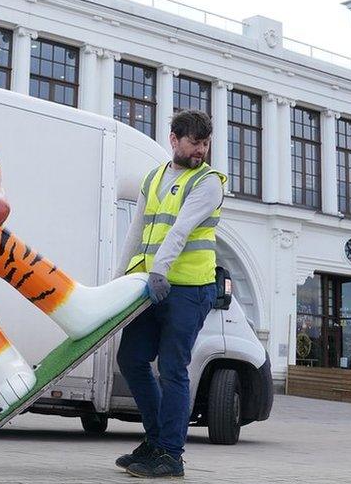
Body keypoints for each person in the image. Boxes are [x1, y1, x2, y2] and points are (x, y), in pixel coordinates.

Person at [113, 110, 226, 478]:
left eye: (206, 144)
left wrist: (159, 271)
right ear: (174, 139)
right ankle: (156, 438)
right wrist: (117, 281)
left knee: (173, 369)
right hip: (152, 286)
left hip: (189, 290)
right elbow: (137, 230)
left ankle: (171, 455)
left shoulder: (208, 182)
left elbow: (180, 230)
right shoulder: (155, 177)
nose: (201, 151)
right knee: (131, 358)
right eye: (195, 143)